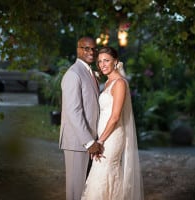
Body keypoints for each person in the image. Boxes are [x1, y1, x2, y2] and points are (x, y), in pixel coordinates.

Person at [81, 46, 144, 200]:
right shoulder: (108, 82)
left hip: (112, 136)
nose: (102, 64)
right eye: (100, 61)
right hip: (104, 134)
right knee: (101, 173)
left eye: (106, 61)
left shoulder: (120, 83)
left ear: (115, 62)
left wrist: (100, 141)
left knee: (104, 171)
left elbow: (115, 116)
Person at [59, 36, 104, 200]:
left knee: (85, 189)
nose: (91, 52)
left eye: (93, 48)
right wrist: (89, 141)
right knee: (75, 190)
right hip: (78, 141)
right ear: (78, 50)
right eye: (86, 48)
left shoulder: (89, 71)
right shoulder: (73, 74)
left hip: (90, 140)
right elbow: (73, 111)